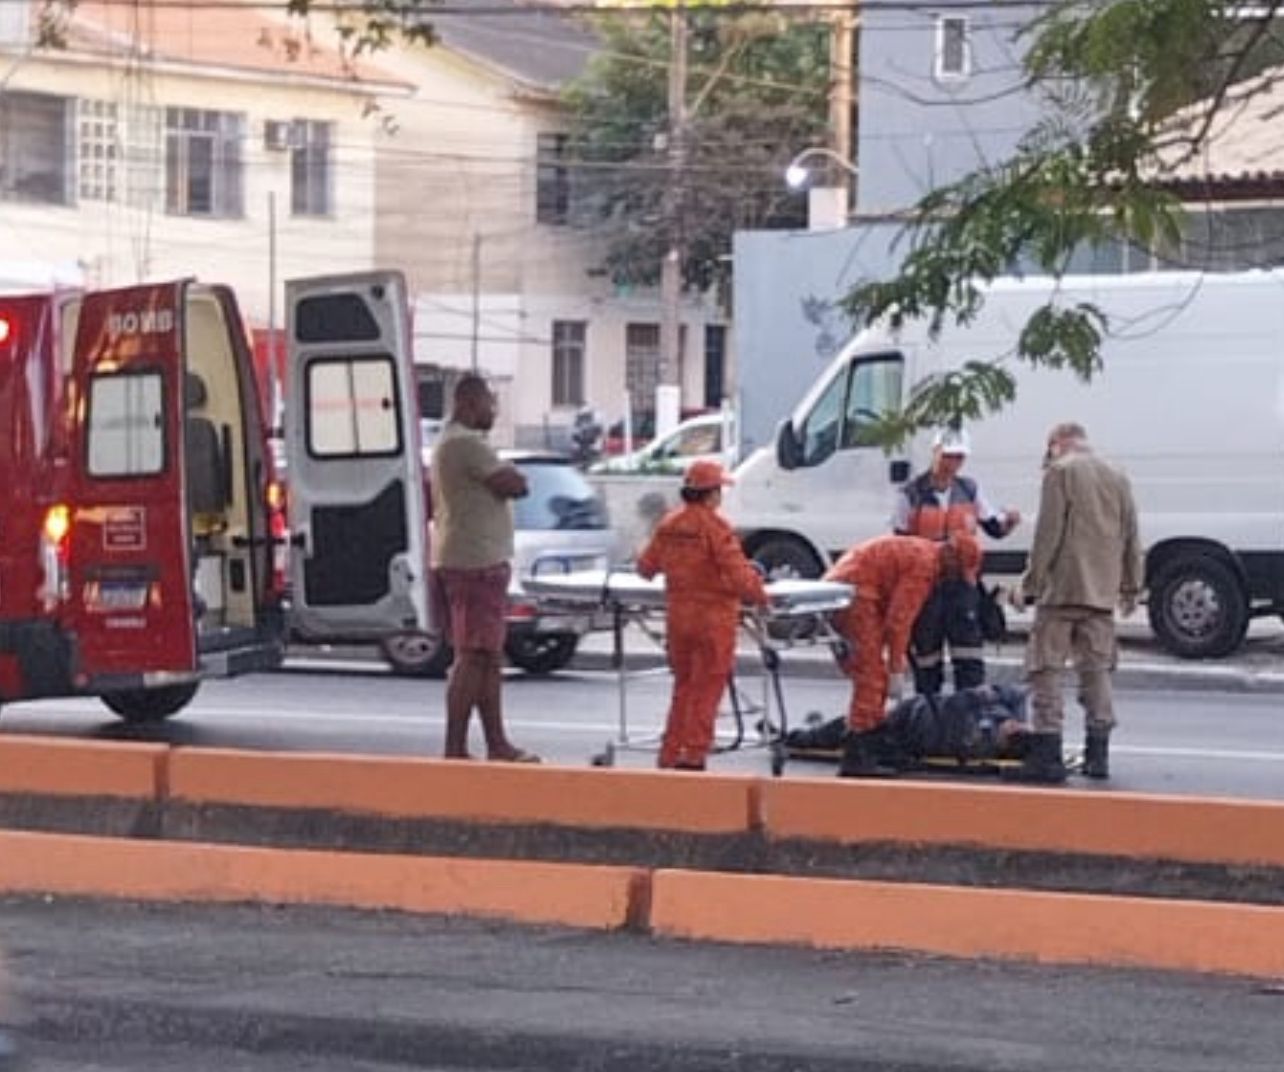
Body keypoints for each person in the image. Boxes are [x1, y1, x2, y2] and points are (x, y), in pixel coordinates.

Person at [1008, 421, 1142, 784]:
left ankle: (1048, 753)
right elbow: (1131, 534)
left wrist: (1030, 584)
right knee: (1096, 672)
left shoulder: (1060, 473)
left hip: (1062, 591)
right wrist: (1131, 585)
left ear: (1056, 445)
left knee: (1046, 669)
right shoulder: (1117, 475)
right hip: (1101, 593)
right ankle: (1098, 754)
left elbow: (1047, 534)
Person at [430, 374, 539, 763]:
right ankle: (455, 747)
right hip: (474, 563)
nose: (493, 410)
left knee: (488, 657)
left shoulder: (455, 443)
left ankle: (497, 743)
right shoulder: (464, 444)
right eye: (489, 403)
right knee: (473, 655)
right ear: (468, 403)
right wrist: (510, 470)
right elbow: (515, 484)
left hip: (477, 559)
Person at [636, 459, 769, 770]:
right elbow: (738, 574)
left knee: (683, 687)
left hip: (679, 617)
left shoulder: (669, 524)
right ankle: (694, 754)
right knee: (708, 687)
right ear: (711, 494)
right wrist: (762, 596)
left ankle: (670, 754)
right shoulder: (716, 527)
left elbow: (645, 568)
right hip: (714, 617)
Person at [824, 532, 983, 777]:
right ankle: (857, 752)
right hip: (855, 593)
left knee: (873, 675)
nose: (954, 579)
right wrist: (896, 668)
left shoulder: (924, 555)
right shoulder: (924, 567)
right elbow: (899, 621)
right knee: (872, 676)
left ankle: (872, 741)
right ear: (950, 557)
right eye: (958, 570)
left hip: (852, 588)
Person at [893, 426, 1021, 697]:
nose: (952, 463)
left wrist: (1009, 521)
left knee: (970, 662)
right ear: (935, 452)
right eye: (948, 456)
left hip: (963, 588)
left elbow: (994, 527)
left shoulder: (969, 490)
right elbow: (899, 544)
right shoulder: (911, 494)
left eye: (959, 458)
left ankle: (969, 722)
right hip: (926, 588)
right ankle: (929, 722)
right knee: (927, 663)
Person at [785, 682, 1032, 768]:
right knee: (858, 722)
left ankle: (799, 738)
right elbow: (1018, 693)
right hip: (915, 712)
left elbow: (953, 707)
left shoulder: (978, 739)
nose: (1013, 723)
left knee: (858, 726)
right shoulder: (1008, 715)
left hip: (907, 727)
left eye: (1013, 729)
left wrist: (978, 696)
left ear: (1006, 740)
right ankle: (808, 732)